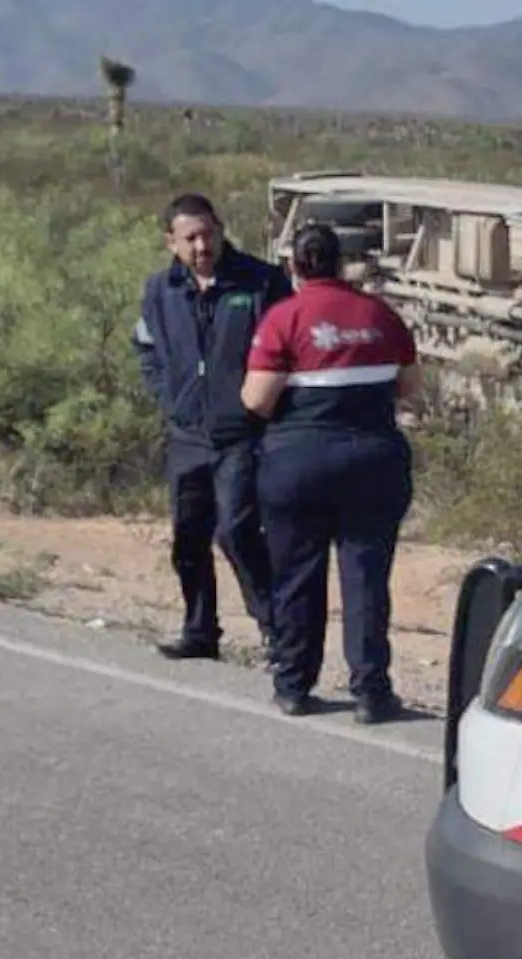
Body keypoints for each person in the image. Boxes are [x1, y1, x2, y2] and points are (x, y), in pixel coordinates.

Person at [240, 223, 422, 723]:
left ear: (294, 266)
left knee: (297, 577)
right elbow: (408, 385)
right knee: (365, 578)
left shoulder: (285, 319)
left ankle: (295, 686)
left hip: (298, 465)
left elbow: (255, 400)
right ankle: (371, 692)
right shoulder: (380, 316)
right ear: (341, 264)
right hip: (372, 461)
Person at [132, 192, 292, 664]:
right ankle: (200, 630)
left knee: (238, 530)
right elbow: (145, 348)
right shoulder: (161, 291)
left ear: (221, 230)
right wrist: (169, 394)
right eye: (191, 238)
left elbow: (287, 350)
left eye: (209, 233)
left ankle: (276, 632)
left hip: (242, 433)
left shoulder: (261, 282)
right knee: (188, 535)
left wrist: (267, 408)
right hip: (188, 435)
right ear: (171, 242)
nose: (202, 245)